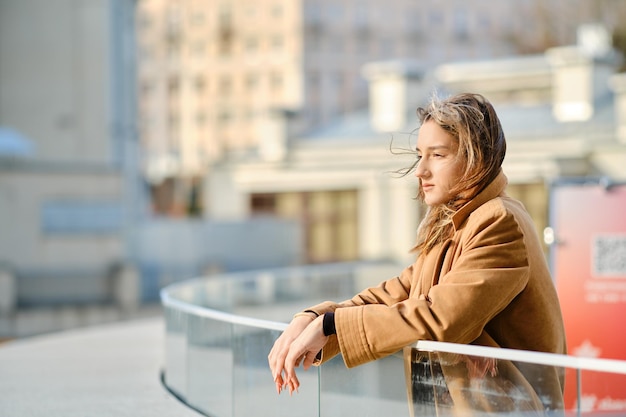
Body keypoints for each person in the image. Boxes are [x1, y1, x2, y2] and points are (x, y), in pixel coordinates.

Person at [268, 92, 567, 414]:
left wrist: (333, 325)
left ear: (476, 158)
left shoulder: (498, 221)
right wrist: (317, 316)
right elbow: (402, 291)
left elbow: (441, 317)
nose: (420, 171)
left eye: (437, 155)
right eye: (419, 155)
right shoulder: (454, 223)